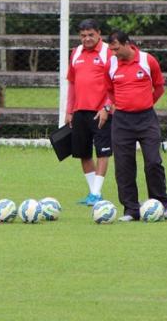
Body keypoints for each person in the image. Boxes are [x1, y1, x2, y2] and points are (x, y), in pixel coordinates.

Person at [106, 29, 167, 221]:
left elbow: (159, 87)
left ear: (128, 43)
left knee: (153, 162)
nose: (114, 53)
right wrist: (119, 104)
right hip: (122, 121)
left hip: (146, 119)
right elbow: (109, 90)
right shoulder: (111, 64)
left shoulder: (147, 60)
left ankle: (162, 204)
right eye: (111, 50)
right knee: (124, 166)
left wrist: (145, 103)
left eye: (117, 48)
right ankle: (131, 209)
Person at [65, 19, 113, 206]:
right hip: (79, 111)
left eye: (91, 35)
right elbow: (72, 83)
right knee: (83, 153)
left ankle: (96, 192)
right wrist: (69, 110)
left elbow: (115, 83)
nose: (87, 39)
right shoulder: (76, 52)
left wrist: (107, 107)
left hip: (100, 111)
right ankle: (94, 194)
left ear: (99, 33)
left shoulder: (108, 52)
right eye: (83, 36)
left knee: (102, 152)